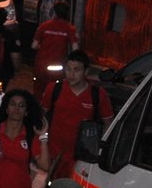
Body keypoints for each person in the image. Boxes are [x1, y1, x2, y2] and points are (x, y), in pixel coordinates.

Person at [36, 50, 113, 180]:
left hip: (81, 159)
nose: (71, 74)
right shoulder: (54, 89)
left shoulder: (97, 94)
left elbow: (108, 122)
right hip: (54, 155)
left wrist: (98, 147)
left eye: (77, 70)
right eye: (68, 69)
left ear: (86, 72)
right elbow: (40, 116)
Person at [31, 1, 77, 83]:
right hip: (57, 64)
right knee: (55, 88)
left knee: (39, 87)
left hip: (41, 63)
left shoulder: (44, 26)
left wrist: (41, 47)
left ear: (54, 12)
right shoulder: (70, 28)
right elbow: (75, 48)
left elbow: (34, 46)